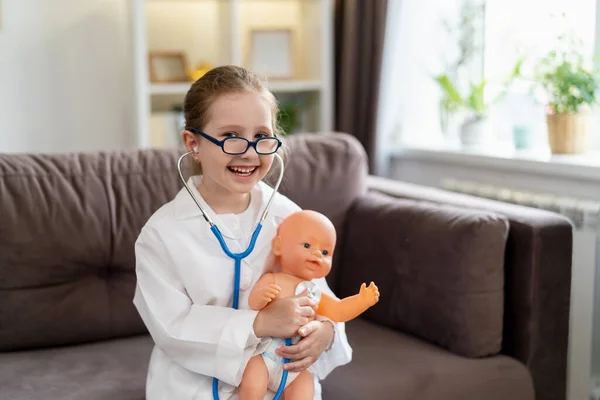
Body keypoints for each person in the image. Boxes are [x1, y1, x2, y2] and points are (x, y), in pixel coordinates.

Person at [132, 65, 352, 400]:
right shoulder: (161, 235)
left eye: (262, 137)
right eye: (230, 137)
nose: (249, 152)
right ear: (193, 143)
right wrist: (259, 324)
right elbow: (171, 327)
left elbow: (316, 293)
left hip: (279, 386)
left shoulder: (288, 216)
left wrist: (326, 331)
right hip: (193, 389)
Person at [240, 210, 380, 399]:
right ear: (279, 246)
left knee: (305, 386)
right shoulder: (273, 279)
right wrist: (262, 296)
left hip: (297, 364)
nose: (316, 254)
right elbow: (253, 303)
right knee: (253, 381)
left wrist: (361, 301)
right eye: (307, 245)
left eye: (325, 252)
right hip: (266, 354)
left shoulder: (315, 291)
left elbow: (337, 312)